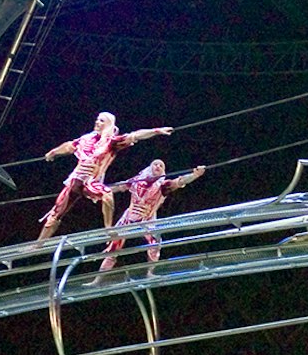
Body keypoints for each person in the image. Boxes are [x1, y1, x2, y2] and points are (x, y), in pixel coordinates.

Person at [37, 112, 172, 240]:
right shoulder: (86, 139)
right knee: (55, 214)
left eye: (101, 120)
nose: (97, 122)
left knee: (107, 194)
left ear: (108, 124)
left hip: (90, 182)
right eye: (97, 119)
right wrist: (53, 152)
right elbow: (69, 146)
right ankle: (38, 245)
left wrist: (156, 131)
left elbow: (134, 136)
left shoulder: (111, 142)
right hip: (75, 181)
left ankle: (108, 228)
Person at [98, 161, 206, 271]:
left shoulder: (163, 186)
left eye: (161, 166)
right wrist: (99, 189)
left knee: (155, 245)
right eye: (156, 164)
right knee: (113, 247)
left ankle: (150, 273)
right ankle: (98, 280)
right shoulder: (137, 180)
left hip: (147, 219)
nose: (158, 166)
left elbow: (179, 181)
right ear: (150, 167)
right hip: (129, 217)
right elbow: (120, 186)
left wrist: (195, 174)